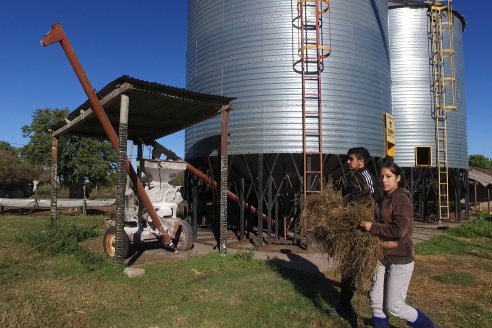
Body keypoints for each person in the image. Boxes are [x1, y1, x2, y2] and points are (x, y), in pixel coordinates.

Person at [359, 159, 439, 328]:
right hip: (381, 255)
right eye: (381, 176)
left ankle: (430, 326)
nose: (384, 180)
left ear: (398, 178)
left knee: (394, 306)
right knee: (375, 301)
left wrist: (372, 227)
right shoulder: (384, 199)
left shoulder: (402, 200)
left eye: (388, 176)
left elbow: (398, 231)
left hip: (400, 258)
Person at [335, 147, 382, 317]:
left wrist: (345, 211)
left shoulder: (366, 178)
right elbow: (353, 201)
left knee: (360, 267)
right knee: (349, 267)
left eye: (351, 159)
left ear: (361, 162)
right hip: (353, 229)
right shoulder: (355, 176)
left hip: (363, 232)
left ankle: (378, 305)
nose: (348, 161)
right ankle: (344, 304)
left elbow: (372, 202)